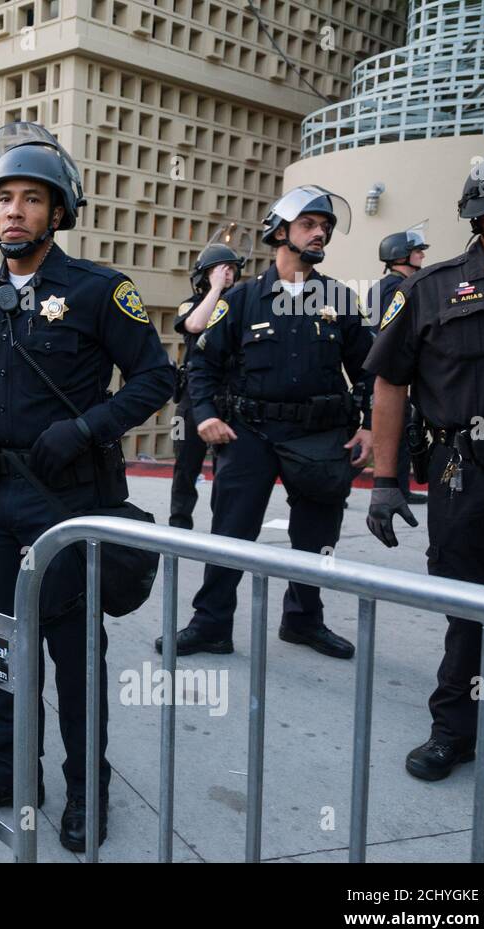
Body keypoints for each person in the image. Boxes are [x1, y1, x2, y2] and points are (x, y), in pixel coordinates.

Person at [0, 123, 175, 850]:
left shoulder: (100, 291)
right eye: (3, 199)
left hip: (70, 502)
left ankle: (87, 792)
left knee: (75, 656)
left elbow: (158, 377)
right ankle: (9, 775)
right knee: (2, 649)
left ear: (58, 211)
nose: (14, 211)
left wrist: (90, 427)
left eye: (31, 199)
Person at [365, 139, 484, 792]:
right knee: (465, 613)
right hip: (466, 474)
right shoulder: (430, 290)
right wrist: (384, 482)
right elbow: (389, 384)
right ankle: (452, 733)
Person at [157, 186, 375, 662]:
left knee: (316, 538)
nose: (320, 233)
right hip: (250, 433)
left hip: (319, 435)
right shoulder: (241, 298)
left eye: (325, 227)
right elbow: (203, 364)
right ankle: (211, 624)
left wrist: (370, 424)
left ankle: (303, 620)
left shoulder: (338, 298)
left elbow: (368, 369)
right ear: (280, 232)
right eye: (309, 225)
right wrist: (208, 415)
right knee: (231, 532)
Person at [170, 229, 249, 530]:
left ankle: (222, 530)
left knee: (227, 470)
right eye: (220, 269)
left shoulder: (241, 306)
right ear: (204, 275)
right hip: (193, 398)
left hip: (229, 396)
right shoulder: (190, 303)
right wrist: (215, 288)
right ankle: (179, 527)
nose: (227, 274)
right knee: (185, 467)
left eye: (231, 270)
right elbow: (195, 324)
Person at [365, 223, 430, 505]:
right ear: (400, 254)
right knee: (399, 429)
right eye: (417, 251)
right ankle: (399, 489)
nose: (422, 256)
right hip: (393, 370)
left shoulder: (386, 286)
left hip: (383, 367)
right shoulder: (399, 288)